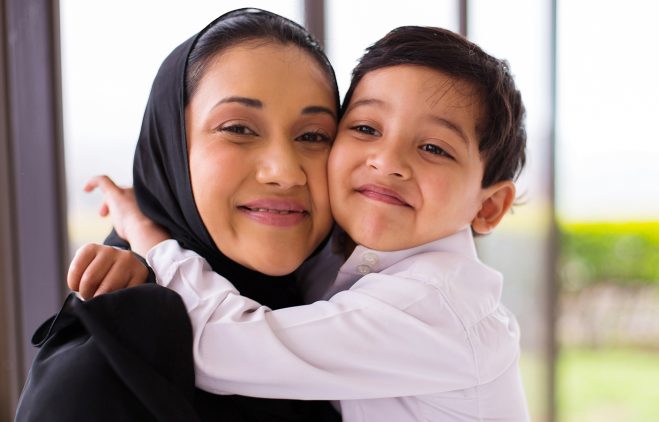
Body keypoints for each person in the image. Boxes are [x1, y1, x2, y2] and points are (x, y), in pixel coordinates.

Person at [72, 26, 531, 421]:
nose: (387, 162)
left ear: (488, 207)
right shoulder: (339, 261)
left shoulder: (432, 305)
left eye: (434, 148)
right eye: (367, 129)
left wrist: (150, 237)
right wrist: (144, 273)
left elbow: (224, 347)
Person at [16, 8, 342, 422]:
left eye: (313, 136)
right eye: (238, 128)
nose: (284, 172)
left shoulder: (358, 314)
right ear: (170, 149)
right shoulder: (107, 362)